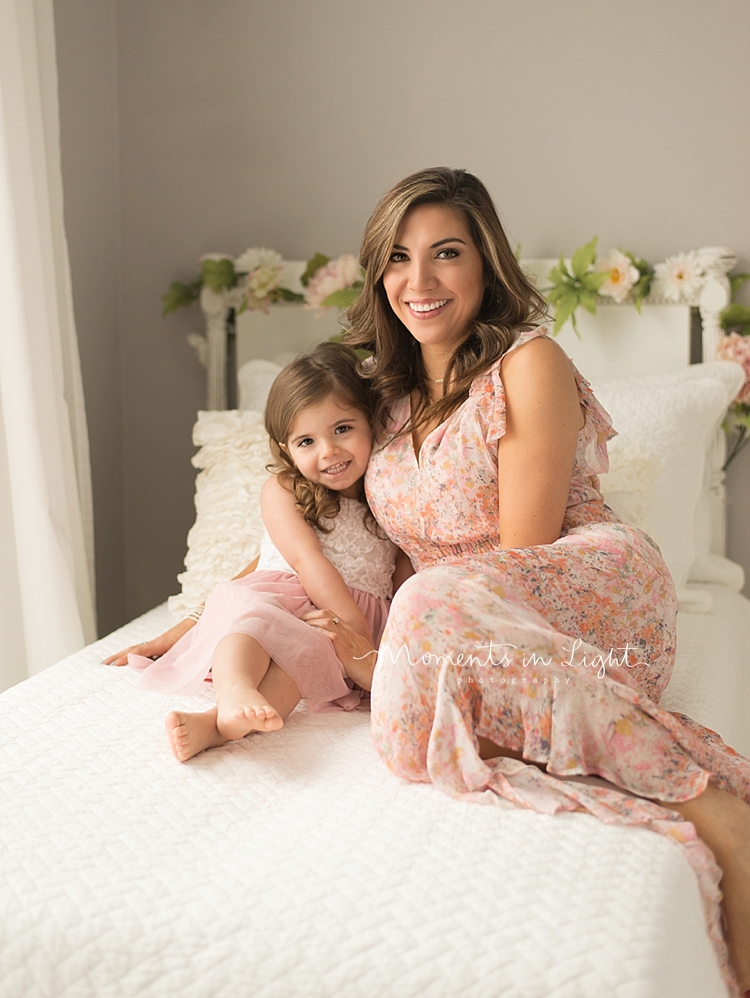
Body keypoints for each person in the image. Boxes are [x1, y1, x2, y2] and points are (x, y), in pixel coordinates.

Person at [317, 166, 750, 995]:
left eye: (446, 253)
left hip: (579, 586)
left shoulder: (528, 364)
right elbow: (309, 491)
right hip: (453, 622)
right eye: (399, 259)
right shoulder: (379, 393)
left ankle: (708, 803)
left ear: (486, 264)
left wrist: (415, 616)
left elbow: (523, 546)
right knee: (405, 735)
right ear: (378, 275)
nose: (421, 281)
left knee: (425, 612)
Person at [106, 342, 410, 764]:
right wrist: (169, 637)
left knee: (304, 657)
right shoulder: (284, 490)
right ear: (286, 450)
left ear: (371, 423)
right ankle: (234, 693)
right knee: (252, 611)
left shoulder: (392, 503)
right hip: (289, 602)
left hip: (333, 627)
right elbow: (305, 563)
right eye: (307, 440)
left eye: (342, 429)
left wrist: (364, 647)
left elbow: (404, 591)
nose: (329, 452)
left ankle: (216, 725)